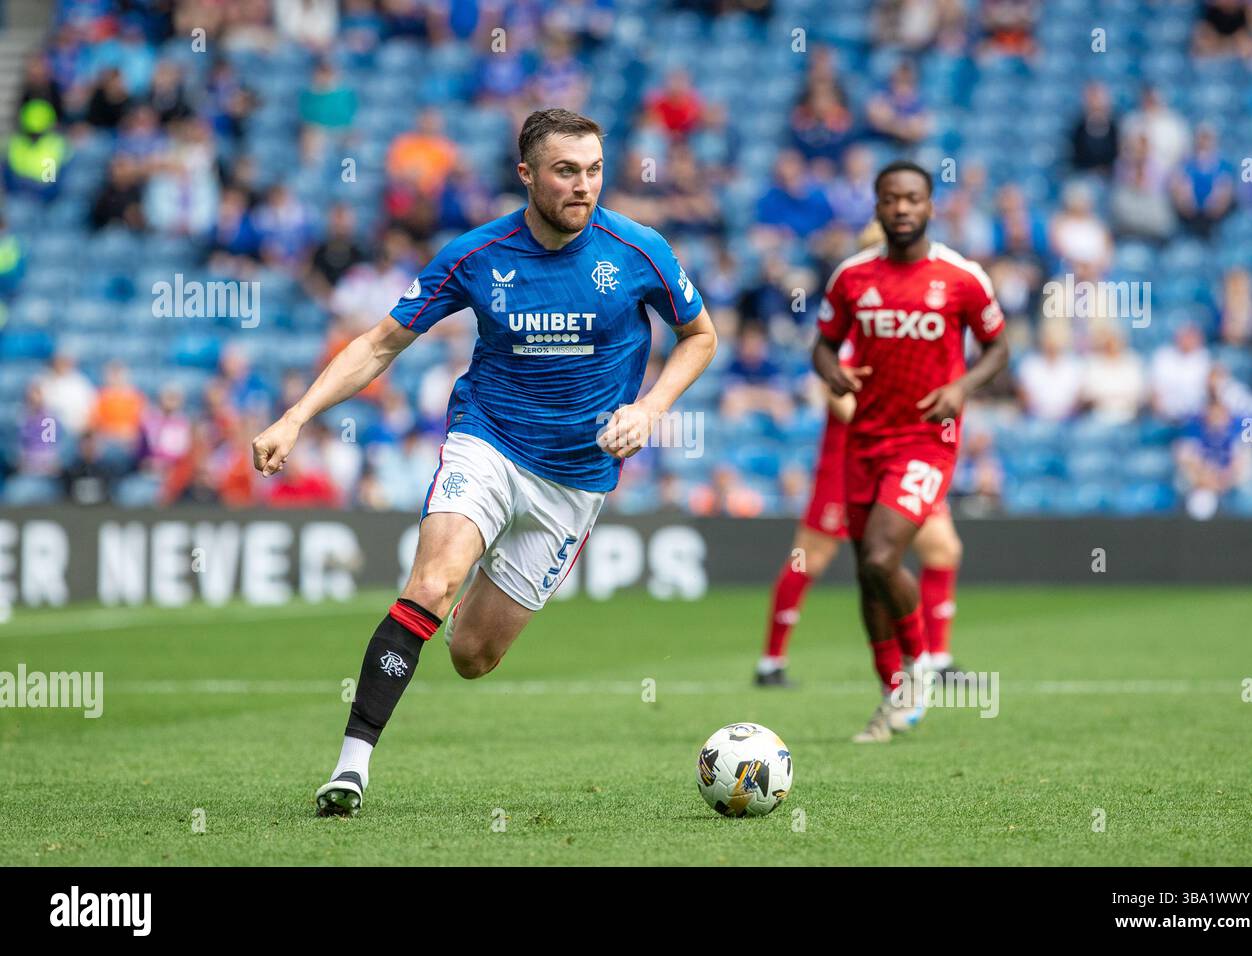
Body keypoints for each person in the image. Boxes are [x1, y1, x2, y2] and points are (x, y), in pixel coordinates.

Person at [251, 109, 717, 816]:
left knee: (472, 656)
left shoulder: (638, 249)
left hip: (576, 478)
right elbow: (380, 343)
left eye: (593, 170)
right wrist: (295, 416)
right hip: (489, 441)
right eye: (566, 171)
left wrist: (649, 410)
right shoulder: (477, 255)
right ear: (526, 175)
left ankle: (465, 601)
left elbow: (700, 336)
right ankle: (350, 769)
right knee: (432, 583)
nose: (583, 185)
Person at [812, 160, 1008, 743]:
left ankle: (920, 666)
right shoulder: (850, 277)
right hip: (865, 440)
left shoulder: (961, 277)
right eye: (891, 199)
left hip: (927, 439)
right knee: (867, 574)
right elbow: (821, 346)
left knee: (879, 557)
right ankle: (892, 693)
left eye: (913, 199)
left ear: (930, 206)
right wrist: (835, 374)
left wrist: (961, 387)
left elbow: (999, 347)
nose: (901, 208)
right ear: (876, 206)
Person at [755, 222, 967, 688]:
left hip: (907, 455)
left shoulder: (904, 314)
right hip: (853, 455)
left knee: (943, 547)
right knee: (809, 556)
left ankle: (936, 657)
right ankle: (771, 661)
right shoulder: (858, 313)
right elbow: (836, 393)